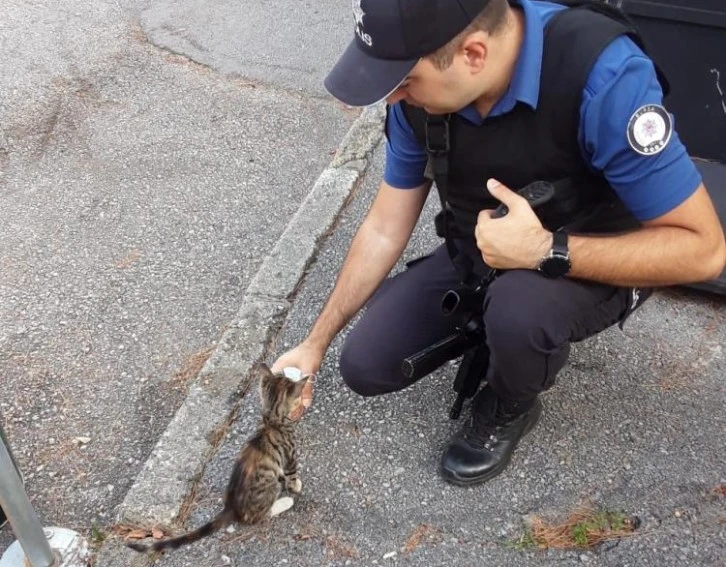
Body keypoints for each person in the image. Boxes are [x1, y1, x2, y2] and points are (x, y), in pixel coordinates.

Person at [272, 0, 726, 486]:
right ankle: (493, 327)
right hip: (484, 250)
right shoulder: (416, 99)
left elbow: (703, 249)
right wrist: (314, 342)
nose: (395, 98)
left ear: (473, 54)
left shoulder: (604, 75)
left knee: (520, 313)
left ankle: (510, 399)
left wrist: (545, 250)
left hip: (596, 253)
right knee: (367, 365)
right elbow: (385, 224)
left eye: (405, 81)